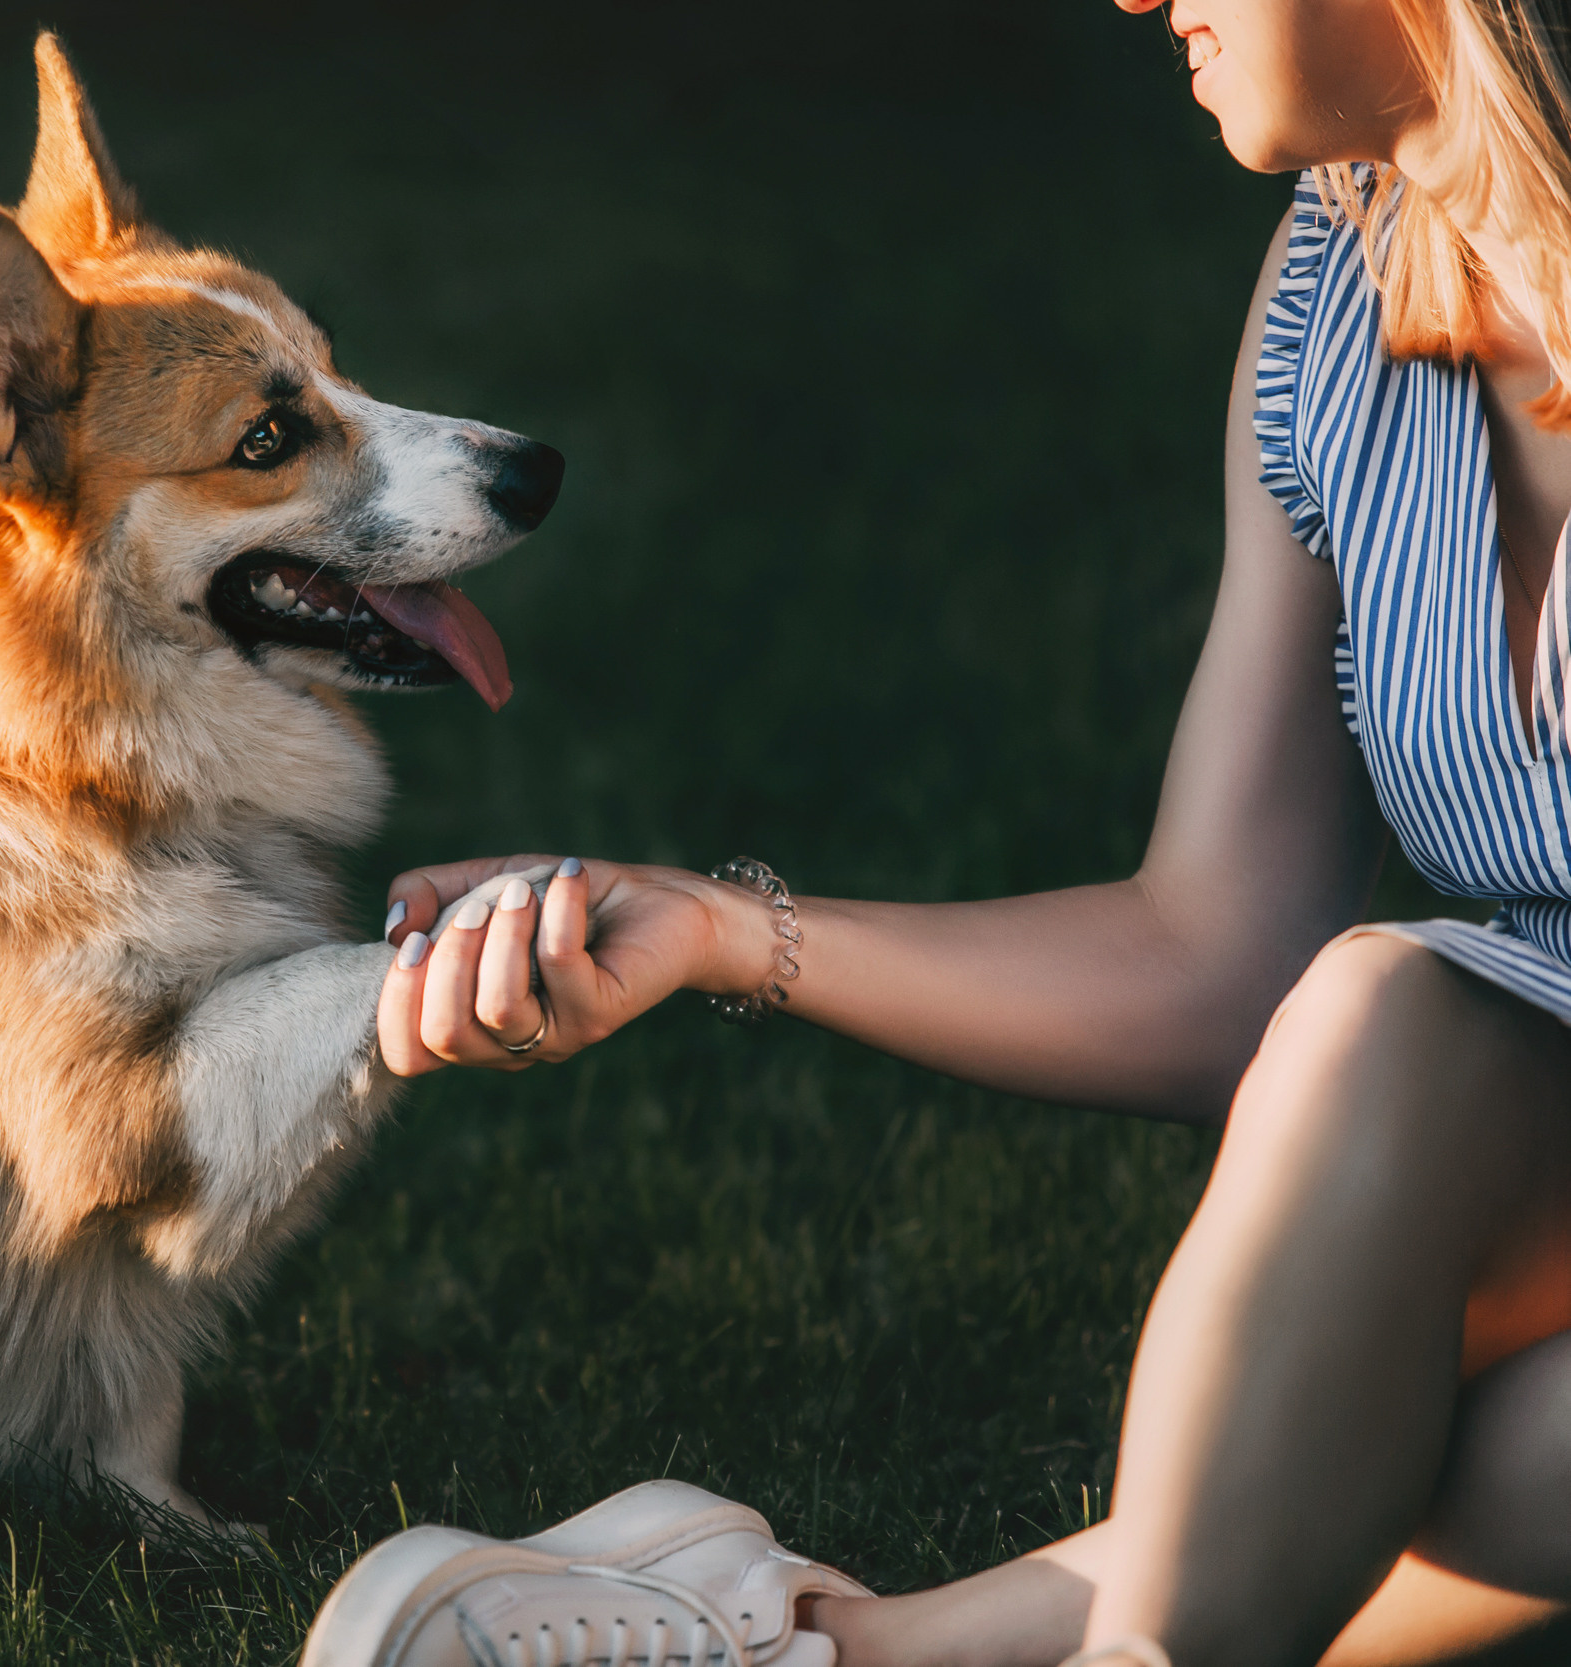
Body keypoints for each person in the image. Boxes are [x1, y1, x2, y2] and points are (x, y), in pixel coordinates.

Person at [301, 3, 1571, 1666]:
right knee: (1509, 1364)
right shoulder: (1337, 290)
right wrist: (711, 928)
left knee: (1403, 1082)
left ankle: (825, 1648)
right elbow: (1217, 956)